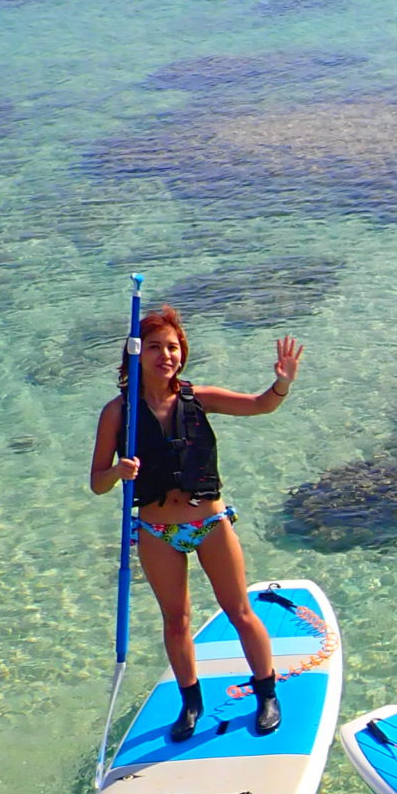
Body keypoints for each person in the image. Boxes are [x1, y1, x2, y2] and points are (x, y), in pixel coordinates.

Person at [89, 308, 304, 740]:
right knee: (176, 620)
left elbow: (261, 405)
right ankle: (190, 704)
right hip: (156, 532)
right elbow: (97, 482)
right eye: (155, 347)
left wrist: (282, 382)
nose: (166, 355)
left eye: (173, 347)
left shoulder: (198, 398)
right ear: (136, 355)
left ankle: (266, 693)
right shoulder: (118, 413)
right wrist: (119, 473)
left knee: (239, 611)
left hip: (209, 522)